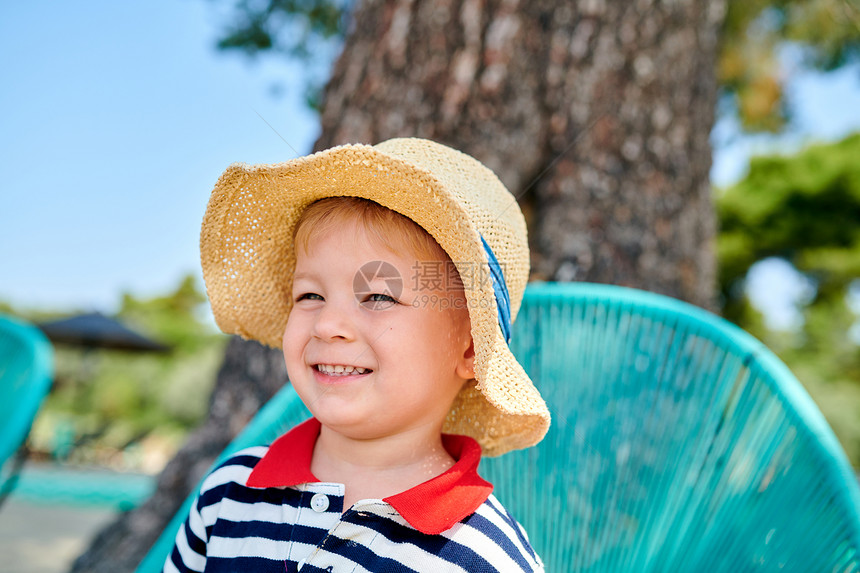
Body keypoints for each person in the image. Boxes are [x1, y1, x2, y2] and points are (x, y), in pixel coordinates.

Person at [165, 138, 552, 572]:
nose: (328, 324)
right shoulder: (228, 497)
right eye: (310, 294)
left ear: (469, 347)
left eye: (378, 298)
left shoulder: (482, 557)